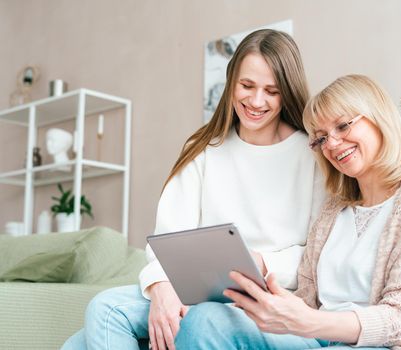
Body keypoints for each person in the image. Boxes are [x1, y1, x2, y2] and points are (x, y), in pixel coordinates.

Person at [61, 29, 324, 350]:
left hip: (269, 295)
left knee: (82, 340)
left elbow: (319, 251)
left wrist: (262, 262)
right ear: (231, 83)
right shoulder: (203, 148)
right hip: (197, 287)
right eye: (247, 86)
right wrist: (161, 287)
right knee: (100, 315)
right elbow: (167, 240)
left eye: (271, 91)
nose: (256, 101)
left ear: (287, 91)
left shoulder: (310, 154)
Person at [175, 75, 401, 349]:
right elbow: (306, 301)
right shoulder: (333, 208)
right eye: (321, 138)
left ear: (379, 119)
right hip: (315, 339)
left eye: (343, 126)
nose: (333, 144)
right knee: (206, 319)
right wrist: (269, 306)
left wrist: (309, 322)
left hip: (377, 344)